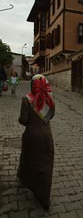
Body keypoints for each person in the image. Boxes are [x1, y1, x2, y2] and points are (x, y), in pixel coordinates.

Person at [17, 74, 55, 209]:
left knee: (30, 161)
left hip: (32, 137)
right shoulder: (49, 99)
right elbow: (51, 116)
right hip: (47, 137)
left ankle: (29, 182)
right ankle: (44, 196)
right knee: (46, 165)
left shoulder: (27, 99)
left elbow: (23, 120)